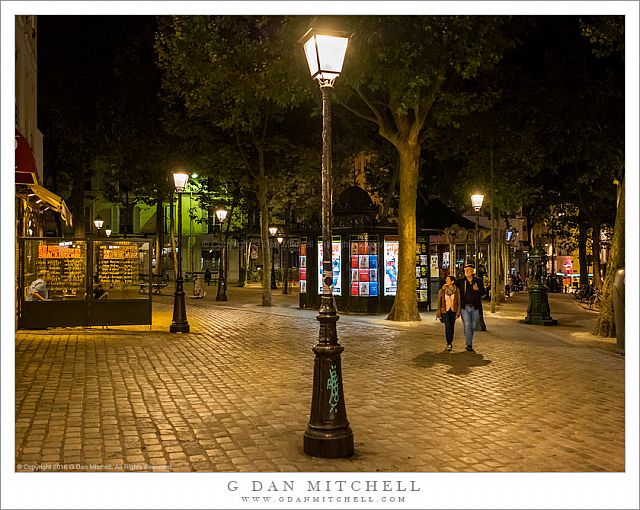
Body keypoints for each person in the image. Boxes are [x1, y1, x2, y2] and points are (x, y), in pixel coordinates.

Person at [456, 263, 485, 352]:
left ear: (473, 271)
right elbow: (455, 291)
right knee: (467, 325)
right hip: (465, 307)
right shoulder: (461, 281)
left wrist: (478, 290)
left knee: (472, 326)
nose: (467, 271)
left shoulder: (478, 281)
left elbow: (483, 293)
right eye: (465, 270)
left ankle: (469, 341)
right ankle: (469, 344)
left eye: (469, 270)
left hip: (475, 307)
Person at [435, 275, 461, 352]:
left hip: (453, 310)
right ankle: (449, 343)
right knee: (447, 326)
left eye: (448, 279)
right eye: (446, 279)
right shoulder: (442, 290)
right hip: (445, 311)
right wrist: (438, 313)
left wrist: (458, 312)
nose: (446, 281)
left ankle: (450, 340)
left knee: (452, 326)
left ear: (452, 281)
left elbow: (459, 302)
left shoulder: (457, 290)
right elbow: (439, 302)